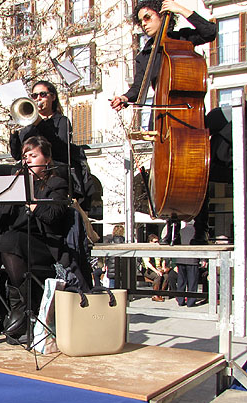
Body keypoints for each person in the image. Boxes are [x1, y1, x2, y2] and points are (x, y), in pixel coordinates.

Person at [110, 0, 217, 245]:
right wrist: (125, 98)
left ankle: (201, 229)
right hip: (161, 121)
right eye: (140, 21)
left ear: (162, 15)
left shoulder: (183, 40)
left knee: (197, 170)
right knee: (165, 172)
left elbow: (210, 32)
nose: (143, 24)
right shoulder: (145, 54)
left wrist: (180, 9)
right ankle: (172, 225)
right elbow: (138, 88)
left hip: (187, 118)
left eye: (148, 17)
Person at [0, 136, 71, 349]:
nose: (28, 160)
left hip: (41, 244)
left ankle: (24, 311)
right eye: (25, 156)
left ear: (47, 159)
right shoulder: (15, 183)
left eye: (33, 155)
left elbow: (53, 217)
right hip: (11, 244)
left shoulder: (56, 184)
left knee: (11, 243)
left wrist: (30, 199)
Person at [9, 80, 72, 165]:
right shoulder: (28, 125)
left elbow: (61, 151)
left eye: (43, 94)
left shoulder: (62, 121)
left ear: (53, 97)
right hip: (29, 168)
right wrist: (13, 133)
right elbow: (16, 155)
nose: (38, 98)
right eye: (34, 96)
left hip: (53, 167)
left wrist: (40, 123)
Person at [142, 233, 170, 301]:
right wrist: (156, 271)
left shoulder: (158, 250)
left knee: (166, 276)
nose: (157, 243)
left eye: (157, 242)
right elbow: (147, 263)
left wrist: (163, 268)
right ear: (150, 242)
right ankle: (155, 295)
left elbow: (162, 259)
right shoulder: (146, 250)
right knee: (157, 276)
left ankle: (161, 294)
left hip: (158, 268)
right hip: (149, 270)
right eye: (155, 242)